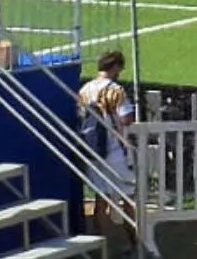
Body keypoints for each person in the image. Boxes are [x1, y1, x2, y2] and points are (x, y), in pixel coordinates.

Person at [77, 51, 138, 254]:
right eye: (119, 68)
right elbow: (126, 119)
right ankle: (136, 245)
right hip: (116, 152)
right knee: (129, 199)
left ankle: (101, 249)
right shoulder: (116, 90)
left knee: (100, 200)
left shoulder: (85, 90)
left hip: (95, 152)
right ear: (114, 67)